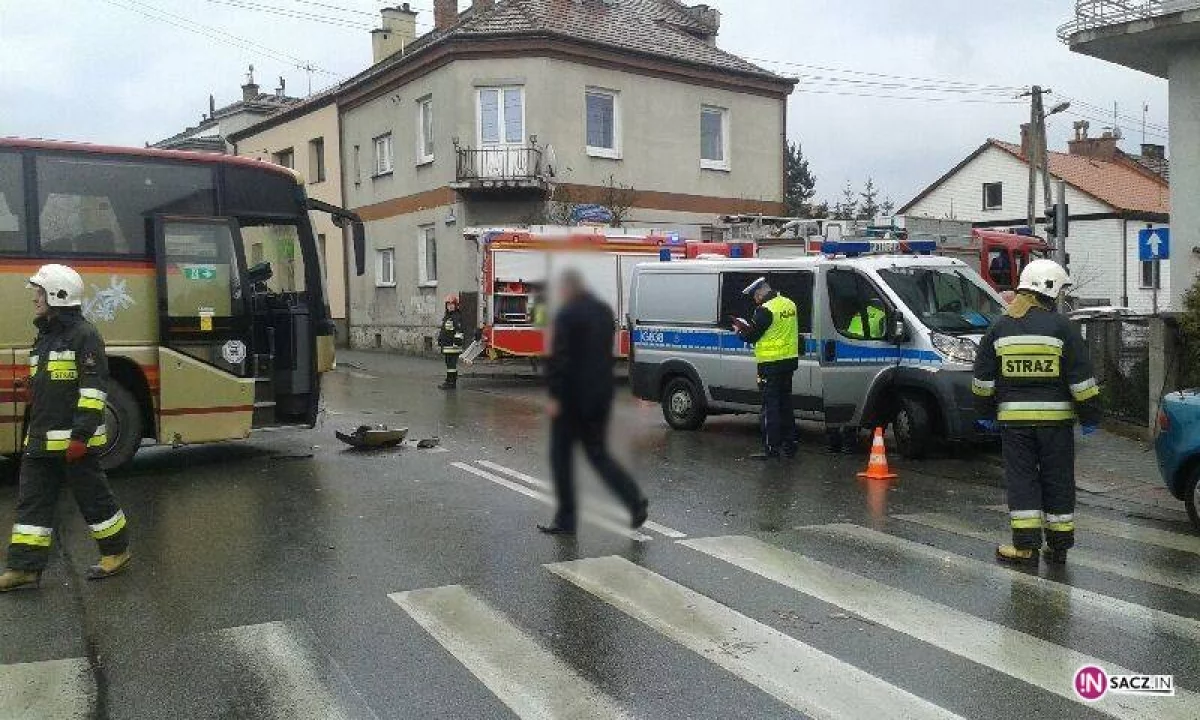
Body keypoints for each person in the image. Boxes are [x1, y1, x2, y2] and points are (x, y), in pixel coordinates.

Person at [1, 264, 131, 592]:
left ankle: (116, 552)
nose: (35, 298)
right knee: (31, 503)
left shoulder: (84, 336)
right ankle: (24, 568)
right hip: (41, 441)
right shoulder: (45, 336)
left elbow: (93, 390)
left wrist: (81, 437)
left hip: (75, 443)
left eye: (40, 292)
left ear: (58, 295)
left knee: (94, 499)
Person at [972, 259, 1101, 566]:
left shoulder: (1000, 327)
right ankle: (1059, 546)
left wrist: (985, 412)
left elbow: (982, 380)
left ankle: (1026, 546)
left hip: (1014, 424)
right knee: (1058, 479)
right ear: (1051, 289)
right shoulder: (1063, 328)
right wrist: (1090, 417)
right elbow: (1081, 380)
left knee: (1022, 480)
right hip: (1056, 424)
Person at [539, 269, 648, 535]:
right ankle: (634, 501)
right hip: (600, 394)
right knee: (598, 454)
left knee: (561, 458)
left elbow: (560, 359)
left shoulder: (567, 314)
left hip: (570, 399)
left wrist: (554, 397)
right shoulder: (603, 311)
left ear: (568, 289)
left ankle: (566, 521)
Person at [735, 277, 799, 459]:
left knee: (770, 407)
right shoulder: (789, 304)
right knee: (786, 405)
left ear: (761, 293)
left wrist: (739, 331)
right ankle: (791, 445)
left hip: (770, 364)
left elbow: (752, 336)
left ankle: (771, 448)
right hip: (788, 362)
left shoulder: (764, 310)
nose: (755, 300)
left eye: (755, 296)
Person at [436, 294, 465, 390]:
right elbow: (445, 330)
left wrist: (456, 343)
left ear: (456, 305)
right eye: (448, 304)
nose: (450, 306)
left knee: (451, 365)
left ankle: (451, 383)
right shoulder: (448, 316)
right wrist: (441, 339)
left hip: (453, 346)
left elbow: (459, 330)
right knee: (449, 364)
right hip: (448, 346)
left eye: (452, 304)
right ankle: (449, 380)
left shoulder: (456, 316)